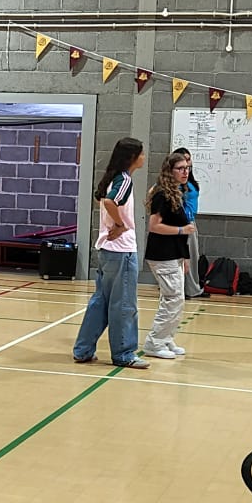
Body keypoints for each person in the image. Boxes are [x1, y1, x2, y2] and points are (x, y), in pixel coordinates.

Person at [72, 137, 150, 369]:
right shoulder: (124, 180)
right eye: (141, 153)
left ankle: (83, 349)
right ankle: (124, 354)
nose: (144, 157)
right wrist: (120, 224)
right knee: (124, 305)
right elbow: (109, 202)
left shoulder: (113, 178)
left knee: (100, 303)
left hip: (108, 251)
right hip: (122, 252)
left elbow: (104, 200)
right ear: (132, 157)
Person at [141, 151, 195, 359]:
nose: (185, 172)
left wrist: (185, 256)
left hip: (175, 253)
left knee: (175, 299)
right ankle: (154, 342)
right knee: (173, 298)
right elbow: (154, 226)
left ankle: (165, 338)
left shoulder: (177, 192)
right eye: (180, 169)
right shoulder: (162, 194)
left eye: (187, 168)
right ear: (170, 171)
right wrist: (182, 230)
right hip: (162, 254)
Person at [174, 146, 207, 298]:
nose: (188, 163)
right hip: (183, 224)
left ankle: (192, 288)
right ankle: (184, 289)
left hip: (191, 222)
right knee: (184, 257)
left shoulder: (190, 181)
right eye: (184, 160)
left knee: (193, 256)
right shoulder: (177, 182)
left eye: (189, 159)